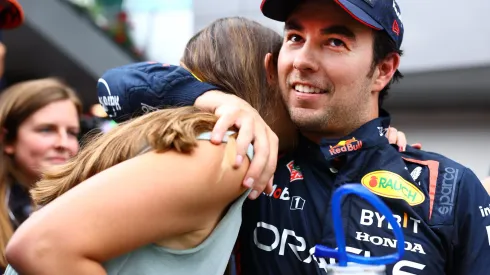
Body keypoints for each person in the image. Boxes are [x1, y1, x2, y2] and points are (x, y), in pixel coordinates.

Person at [89, 0, 490, 275]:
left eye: (335, 41)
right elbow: (116, 85)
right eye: (295, 37)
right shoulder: (249, 158)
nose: (302, 60)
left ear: (383, 69)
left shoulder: (451, 189)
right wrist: (214, 98)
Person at [4, 17, 407, 275]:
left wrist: (373, 145)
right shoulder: (225, 150)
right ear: (269, 72)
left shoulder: (193, 139)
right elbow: (39, 247)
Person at [0, 77, 82, 271]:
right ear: (7, 139)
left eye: (71, 132)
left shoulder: (83, 203)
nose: (64, 144)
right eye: (46, 130)